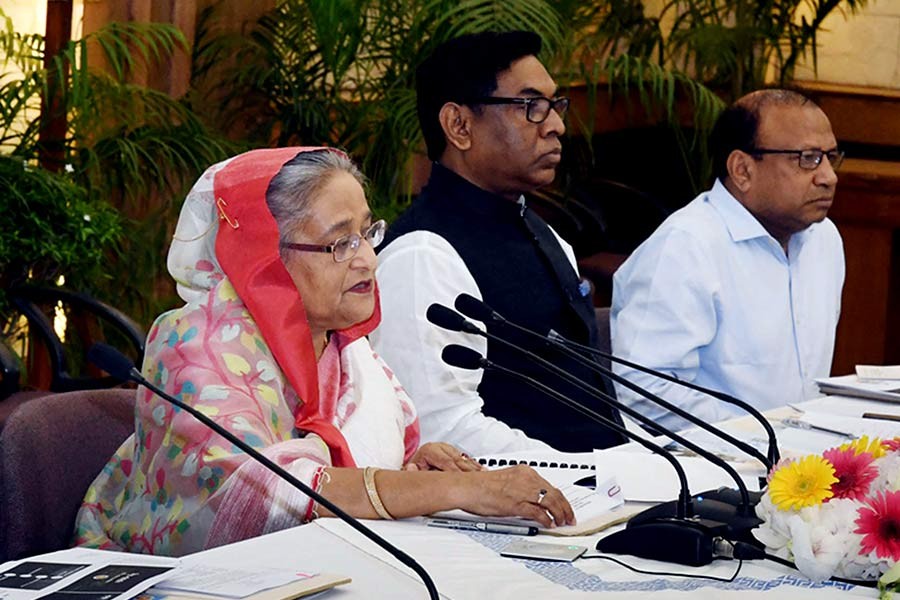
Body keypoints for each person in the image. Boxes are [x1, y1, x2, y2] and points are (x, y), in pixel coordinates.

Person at [73, 147, 574, 556]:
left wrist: (418, 467)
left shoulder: (345, 345)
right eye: (341, 243)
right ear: (266, 258)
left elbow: (360, 474)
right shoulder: (191, 345)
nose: (368, 260)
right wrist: (459, 491)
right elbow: (261, 496)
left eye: (367, 234)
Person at [371, 31, 625, 456]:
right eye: (530, 107)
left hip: (609, 493)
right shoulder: (420, 257)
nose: (558, 126)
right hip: (536, 507)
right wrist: (596, 478)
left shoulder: (546, 234)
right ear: (460, 126)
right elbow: (442, 430)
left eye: (554, 105)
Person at [611, 89, 845, 431]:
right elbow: (644, 392)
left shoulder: (824, 239)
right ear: (742, 170)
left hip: (801, 465)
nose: (828, 176)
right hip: (711, 466)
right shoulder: (685, 247)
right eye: (807, 158)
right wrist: (759, 434)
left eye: (830, 157)